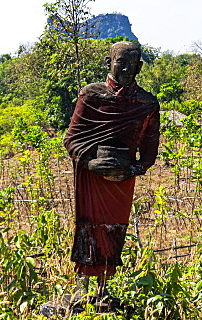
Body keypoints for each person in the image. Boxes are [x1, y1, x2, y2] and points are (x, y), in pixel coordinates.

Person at [64, 41, 160, 304]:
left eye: (133, 64)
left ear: (140, 67)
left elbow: (150, 146)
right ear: (109, 63)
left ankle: (103, 290)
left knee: (114, 230)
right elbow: (72, 139)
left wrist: (137, 167)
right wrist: (91, 162)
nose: (127, 68)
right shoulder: (91, 95)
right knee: (87, 227)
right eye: (121, 62)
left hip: (122, 178)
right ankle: (81, 289)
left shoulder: (147, 102)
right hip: (92, 175)